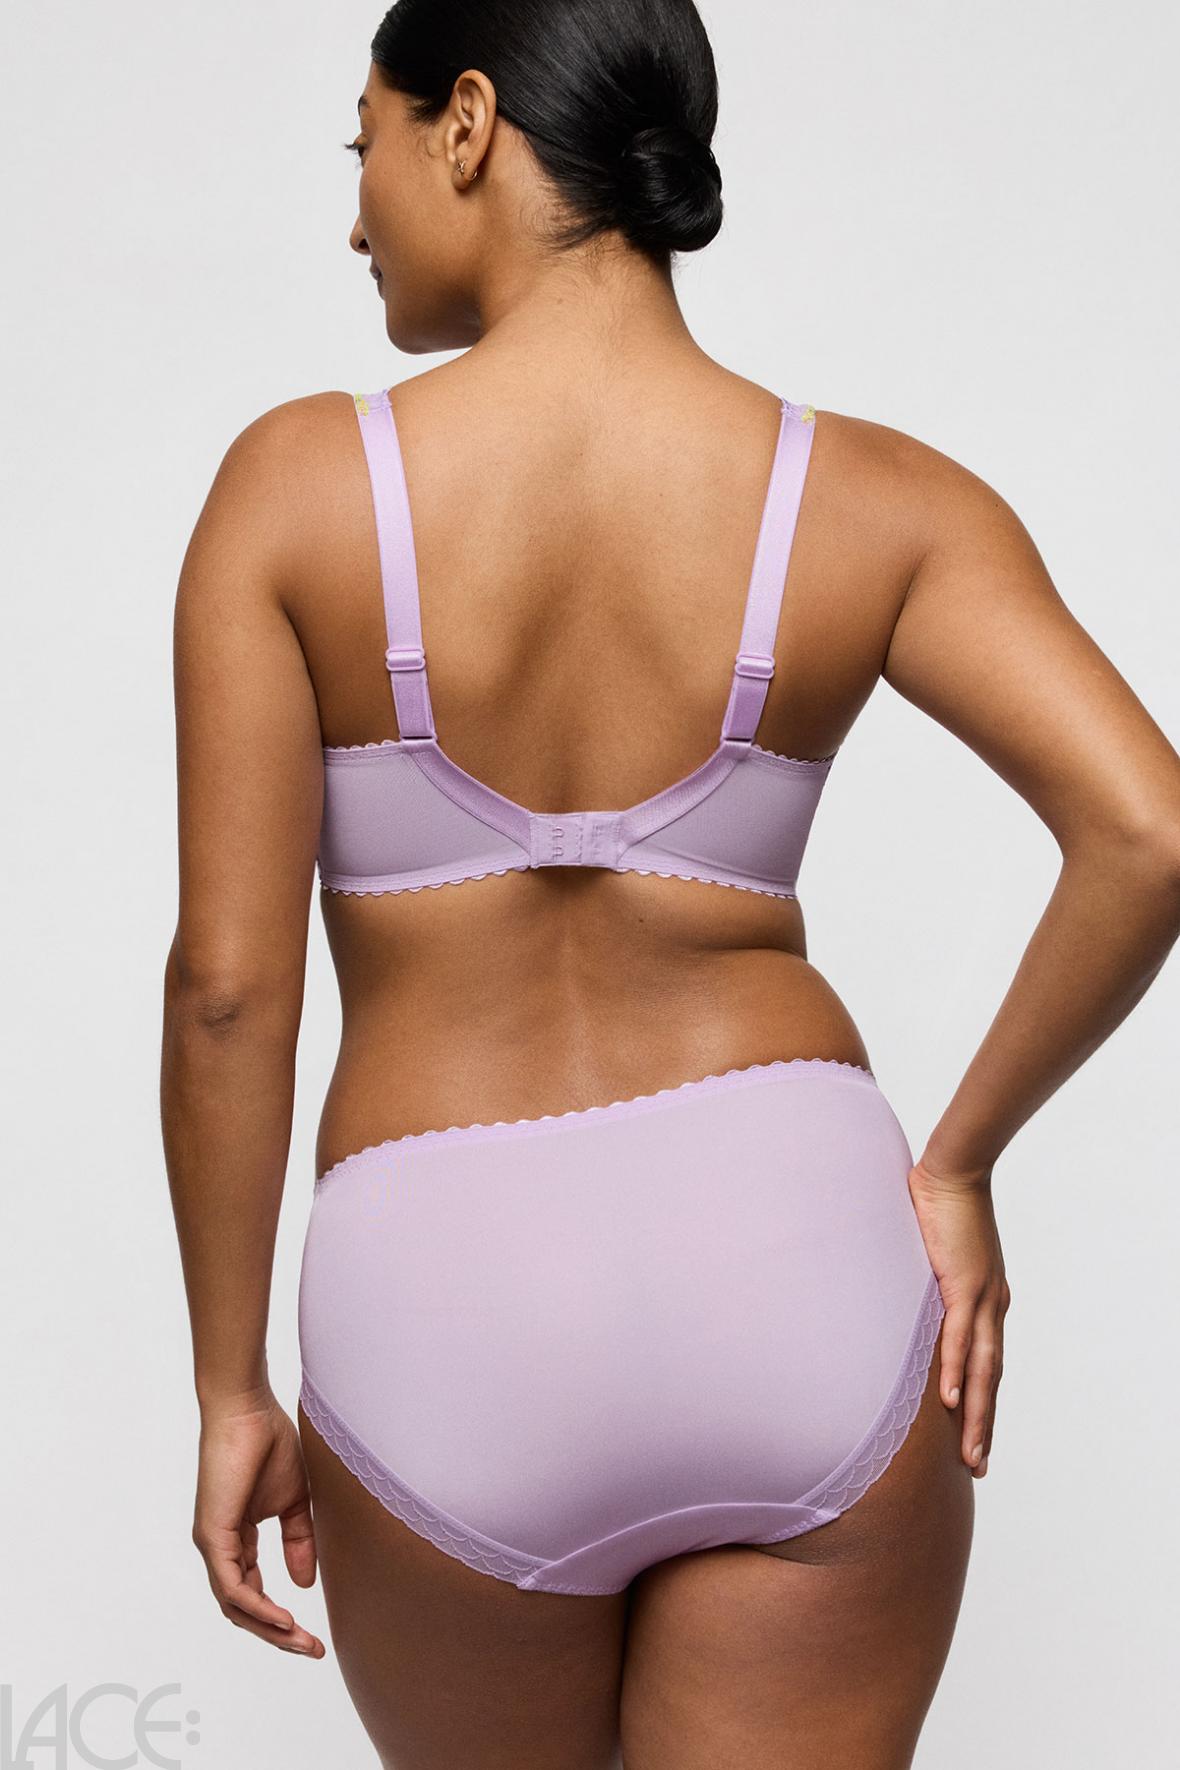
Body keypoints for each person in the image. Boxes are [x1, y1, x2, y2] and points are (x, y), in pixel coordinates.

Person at [160, 2, 1180, 1765]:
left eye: (364, 146)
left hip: (449, 1306)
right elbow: (1150, 830)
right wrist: (956, 1160)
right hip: (799, 1264)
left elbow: (228, 991)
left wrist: (229, 1380)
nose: (355, 214)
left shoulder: (295, 488)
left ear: (466, 122)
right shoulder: (878, 499)